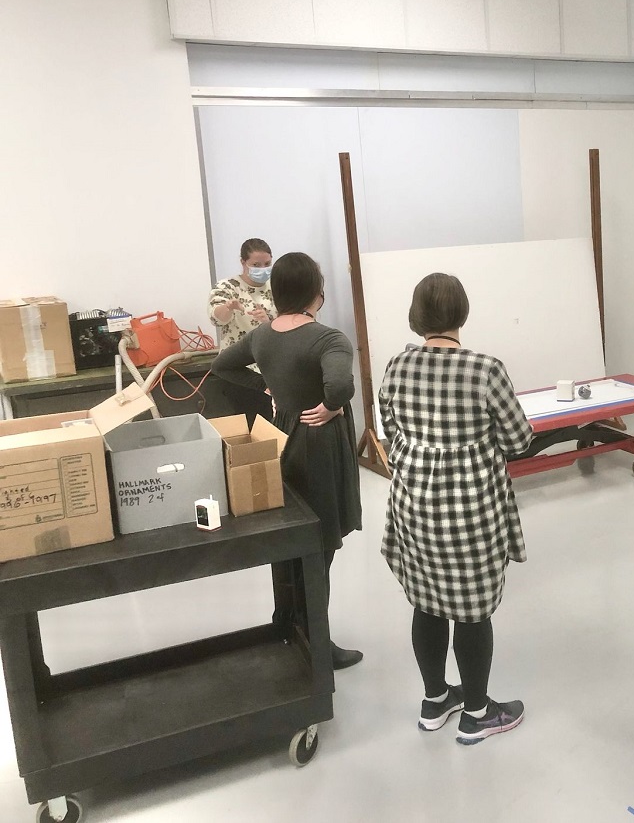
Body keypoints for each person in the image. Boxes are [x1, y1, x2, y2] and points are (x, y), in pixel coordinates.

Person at [378, 273, 533, 746]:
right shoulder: (485, 370)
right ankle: (478, 713)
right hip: (470, 510)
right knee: (471, 610)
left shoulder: (397, 366)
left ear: (416, 316)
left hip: (413, 507)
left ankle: (434, 701)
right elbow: (519, 439)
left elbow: (390, 430)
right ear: (462, 313)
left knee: (426, 602)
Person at [211, 252, 364, 670]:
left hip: (281, 438)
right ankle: (318, 642)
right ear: (317, 292)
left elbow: (222, 365)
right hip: (318, 443)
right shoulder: (328, 338)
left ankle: (288, 621)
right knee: (318, 547)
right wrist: (330, 406)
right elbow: (339, 386)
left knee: (289, 537)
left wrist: (267, 386)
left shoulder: (263, 335)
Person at [207, 238, 277, 423]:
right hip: (240, 369)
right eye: (256, 265)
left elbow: (288, 322)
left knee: (276, 422)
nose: (263, 269)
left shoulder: (277, 286)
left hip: (271, 367)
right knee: (252, 421)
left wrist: (268, 322)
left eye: (267, 264)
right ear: (243, 262)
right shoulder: (227, 287)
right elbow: (216, 318)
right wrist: (228, 307)